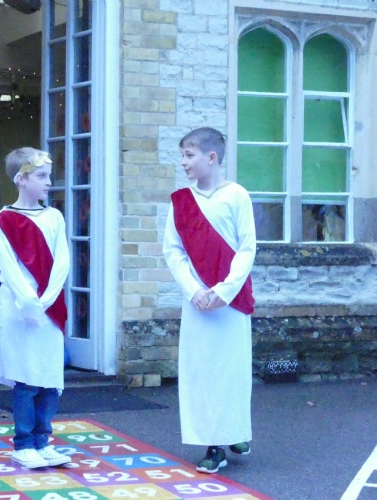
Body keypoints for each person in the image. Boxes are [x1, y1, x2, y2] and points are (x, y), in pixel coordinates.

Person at [163, 127, 256, 474]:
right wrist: (194, 290)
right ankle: (213, 444)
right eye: (183, 156)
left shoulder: (236, 195)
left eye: (189, 155)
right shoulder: (180, 201)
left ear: (211, 157)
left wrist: (224, 291)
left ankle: (233, 431)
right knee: (201, 371)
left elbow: (247, 248)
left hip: (229, 300)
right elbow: (173, 250)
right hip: (199, 301)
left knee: (230, 371)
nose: (184, 162)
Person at [0, 147, 71, 469]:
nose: (49, 182)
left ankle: (43, 440)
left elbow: (62, 260)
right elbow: (9, 266)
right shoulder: (4, 218)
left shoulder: (54, 217)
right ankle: (23, 443)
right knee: (26, 379)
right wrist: (29, 301)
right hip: (19, 309)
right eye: (41, 176)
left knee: (49, 377)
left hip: (49, 308)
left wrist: (47, 300)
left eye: (48, 175)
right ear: (21, 179)